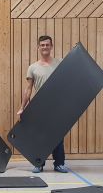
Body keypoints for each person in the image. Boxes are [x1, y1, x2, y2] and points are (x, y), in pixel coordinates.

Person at [17, 35, 68, 173]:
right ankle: (38, 163)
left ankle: (59, 164)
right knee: (40, 136)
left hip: (57, 106)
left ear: (51, 46)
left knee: (58, 135)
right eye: (42, 45)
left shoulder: (59, 63)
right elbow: (28, 89)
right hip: (40, 107)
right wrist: (22, 108)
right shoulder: (33, 67)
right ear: (38, 47)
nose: (45, 47)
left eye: (47, 45)